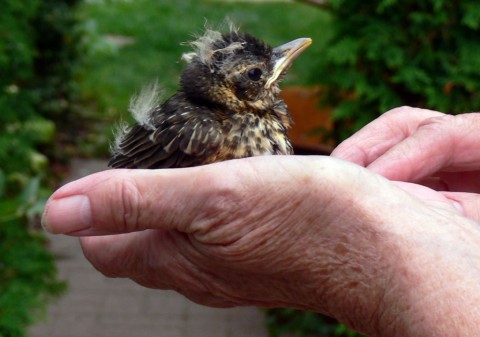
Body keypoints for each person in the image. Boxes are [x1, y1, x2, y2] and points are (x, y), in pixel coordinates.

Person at [42, 106, 480, 336]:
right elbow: (128, 163)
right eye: (254, 75)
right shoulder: (202, 127)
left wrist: (382, 271)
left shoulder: (263, 120)